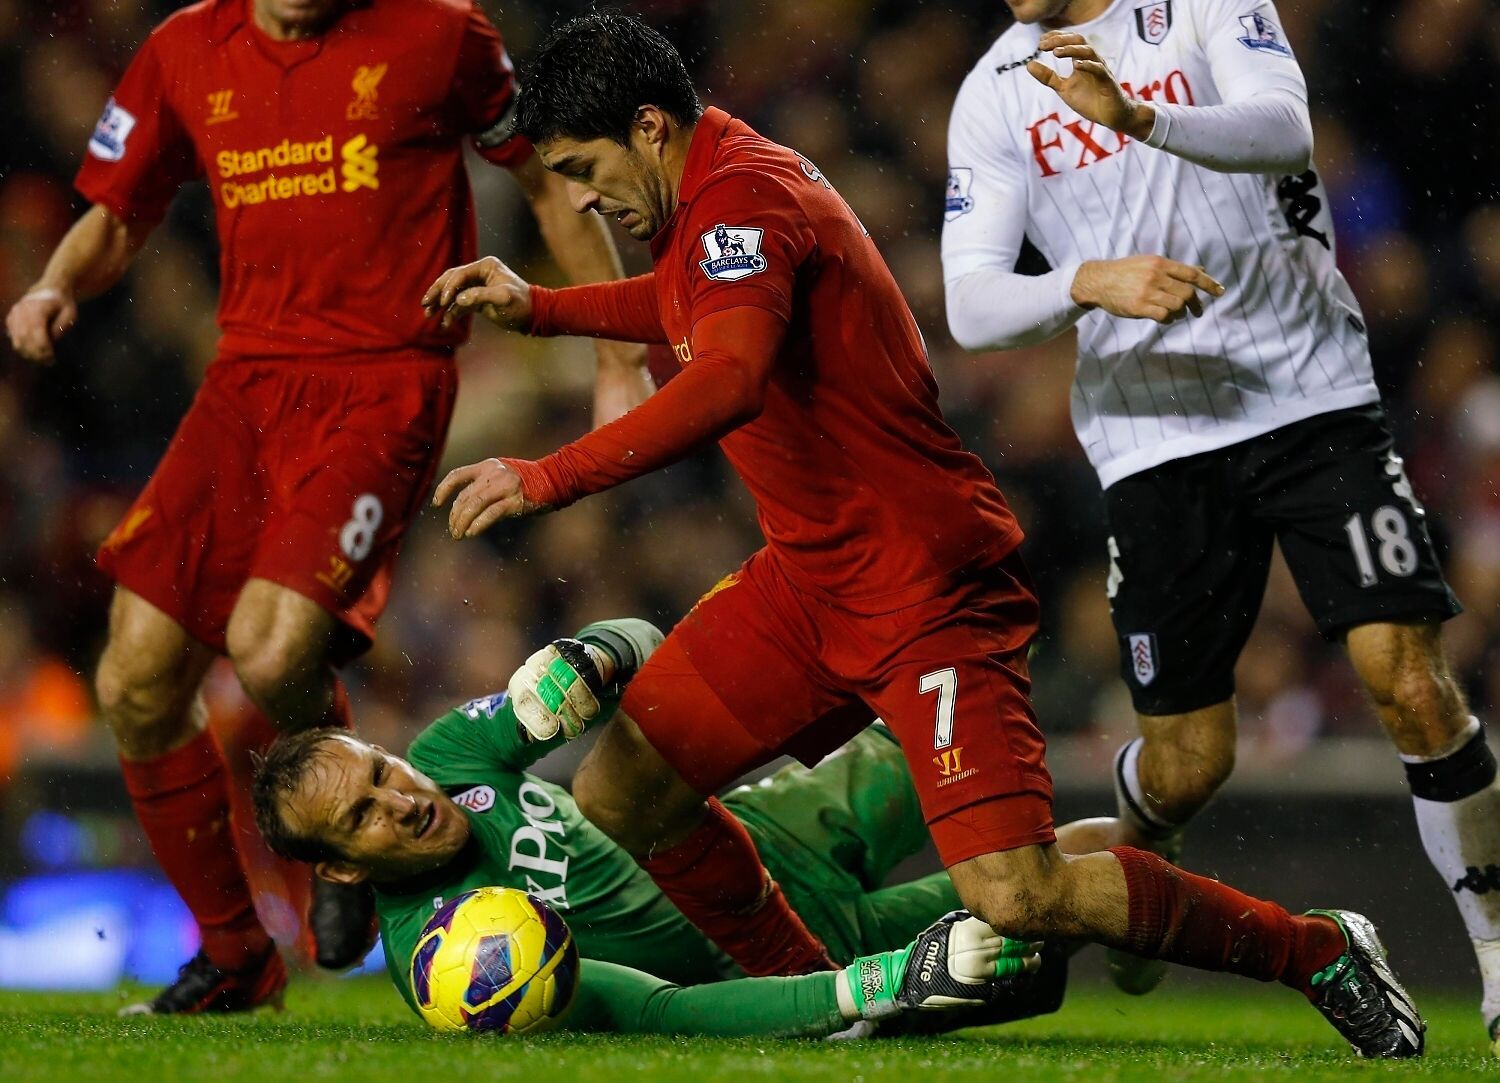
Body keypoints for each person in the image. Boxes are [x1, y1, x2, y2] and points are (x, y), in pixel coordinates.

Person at [422, 12, 1425, 1059]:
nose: (580, 197)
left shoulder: (744, 199)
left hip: (924, 587)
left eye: (586, 168)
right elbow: (688, 305)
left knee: (1020, 894)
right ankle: (822, 995)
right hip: (808, 585)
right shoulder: (710, 199)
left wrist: (550, 474)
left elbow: (726, 376)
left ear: (649, 128)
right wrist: (544, 309)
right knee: (626, 785)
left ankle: (1317, 950)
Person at [3, 0, 647, 1014]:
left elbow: (545, 176)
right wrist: (54, 285)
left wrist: (619, 354)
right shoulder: (184, 51)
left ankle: (338, 857)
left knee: (267, 651)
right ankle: (236, 960)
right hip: (244, 380)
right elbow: (122, 209)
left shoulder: (440, 35)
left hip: (383, 377)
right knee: (132, 677)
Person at [939, 0, 1499, 1048]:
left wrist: (1140, 118)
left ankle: (1497, 953)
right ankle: (1147, 834)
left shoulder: (1205, 6)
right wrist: (1087, 282)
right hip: (1154, 438)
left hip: (1311, 397)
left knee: (1410, 681)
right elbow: (970, 304)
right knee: (1193, 761)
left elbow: (1282, 129)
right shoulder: (995, 90)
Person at [250, 616, 1060, 1035]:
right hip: (786, 944)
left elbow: (647, 645)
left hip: (764, 828)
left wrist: (593, 654)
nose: (401, 799)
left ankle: (1153, 805)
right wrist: (869, 986)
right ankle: (1132, 857)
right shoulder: (448, 959)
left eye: (381, 772)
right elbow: (659, 1013)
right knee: (1049, 897)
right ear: (343, 870)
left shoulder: (452, 754)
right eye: (362, 815)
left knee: (958, 694)